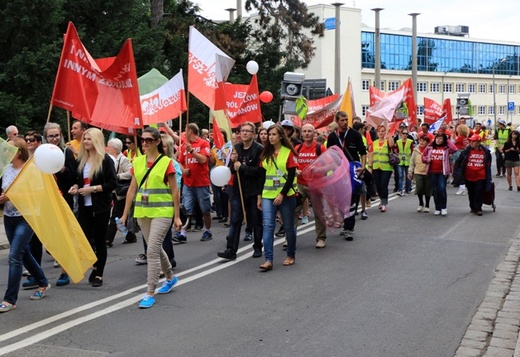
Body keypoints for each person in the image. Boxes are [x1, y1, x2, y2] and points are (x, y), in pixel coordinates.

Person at [121, 127, 182, 309]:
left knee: (152, 251)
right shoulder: (138, 162)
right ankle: (170, 277)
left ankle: (149, 292)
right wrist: (124, 215)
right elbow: (132, 189)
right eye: (143, 139)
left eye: (149, 140)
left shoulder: (166, 162)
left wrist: (177, 217)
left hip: (163, 211)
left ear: (157, 142)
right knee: (155, 248)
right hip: (143, 211)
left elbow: (175, 191)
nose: (145, 143)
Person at [0, 138, 50, 313]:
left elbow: (37, 193)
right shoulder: (6, 169)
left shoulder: (31, 170)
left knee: (14, 255)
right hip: (9, 216)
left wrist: (11, 197)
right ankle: (43, 282)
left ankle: (9, 299)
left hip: (27, 216)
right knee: (24, 252)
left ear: (19, 151)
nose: (6, 152)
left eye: (9, 149)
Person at [68, 128, 116, 287]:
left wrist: (93, 189)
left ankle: (99, 273)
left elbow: (111, 184)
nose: (86, 142)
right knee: (86, 239)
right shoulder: (81, 160)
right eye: (85, 139)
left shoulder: (105, 160)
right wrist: (75, 187)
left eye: (89, 139)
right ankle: (95, 264)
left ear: (96, 140)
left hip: (100, 206)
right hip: (84, 206)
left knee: (100, 240)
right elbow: (78, 180)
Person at [217, 122, 265, 260]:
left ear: (253, 134)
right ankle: (231, 249)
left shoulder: (259, 149)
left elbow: (260, 171)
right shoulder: (236, 148)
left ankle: (257, 247)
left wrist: (242, 167)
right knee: (235, 220)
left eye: (247, 131)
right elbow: (231, 170)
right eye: (242, 131)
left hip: (254, 190)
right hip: (238, 190)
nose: (244, 133)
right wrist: (232, 162)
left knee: (256, 220)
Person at [258, 124, 298, 271]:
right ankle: (268, 259)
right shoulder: (265, 154)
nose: (271, 137)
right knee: (268, 227)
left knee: (288, 226)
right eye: (269, 135)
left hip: (286, 195)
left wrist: (282, 194)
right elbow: (262, 177)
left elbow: (291, 176)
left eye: (274, 134)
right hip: (268, 195)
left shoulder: (288, 153)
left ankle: (291, 255)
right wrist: (259, 196)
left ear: (281, 136)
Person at [326, 111, 366, 240]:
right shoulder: (332, 136)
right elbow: (329, 155)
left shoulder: (354, 134)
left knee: (352, 199)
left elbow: (363, 152)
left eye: (346, 119)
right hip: (338, 171)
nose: (344, 122)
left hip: (352, 170)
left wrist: (363, 166)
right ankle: (345, 221)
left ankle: (349, 227)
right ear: (337, 121)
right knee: (340, 199)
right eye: (342, 120)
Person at [175, 123, 212, 243]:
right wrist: (182, 169)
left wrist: (191, 151)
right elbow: (179, 162)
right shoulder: (183, 146)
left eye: (185, 131)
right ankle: (183, 233)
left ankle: (208, 230)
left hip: (201, 182)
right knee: (186, 208)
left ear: (190, 131)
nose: (184, 133)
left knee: (205, 209)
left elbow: (203, 160)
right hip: (188, 183)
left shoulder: (203, 143)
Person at [294, 124, 328, 248]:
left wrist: (318, 169)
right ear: (301, 134)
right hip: (300, 184)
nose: (307, 133)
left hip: (316, 185)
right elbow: (292, 164)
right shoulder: (297, 148)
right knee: (294, 211)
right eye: (305, 131)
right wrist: (295, 170)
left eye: (309, 131)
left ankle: (321, 238)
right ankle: (290, 237)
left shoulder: (320, 148)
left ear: (314, 134)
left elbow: (330, 165)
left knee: (319, 213)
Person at [105, 138, 135, 247]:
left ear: (115, 149)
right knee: (120, 214)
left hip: (121, 191)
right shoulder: (109, 159)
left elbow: (130, 173)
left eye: (109, 147)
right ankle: (130, 235)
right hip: (113, 190)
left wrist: (117, 176)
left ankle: (108, 239)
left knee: (116, 215)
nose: (107, 149)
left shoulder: (123, 159)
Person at [453, 134, 492, 216]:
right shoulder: (467, 151)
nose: (471, 143)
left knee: (479, 192)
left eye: (473, 141)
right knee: (471, 192)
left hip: (481, 175)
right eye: (471, 141)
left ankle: (478, 208)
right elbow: (459, 161)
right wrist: (456, 171)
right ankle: (473, 207)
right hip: (469, 176)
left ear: (478, 142)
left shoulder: (485, 152)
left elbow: (488, 163)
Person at [422, 133, 457, 216]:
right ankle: (437, 208)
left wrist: (447, 139)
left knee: (441, 189)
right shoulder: (430, 147)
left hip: (442, 172)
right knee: (435, 190)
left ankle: (443, 207)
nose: (438, 140)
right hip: (432, 172)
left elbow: (454, 149)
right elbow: (423, 156)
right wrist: (427, 160)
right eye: (437, 138)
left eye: (441, 139)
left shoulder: (446, 148)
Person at [368, 125, 395, 212]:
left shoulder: (387, 141)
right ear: (377, 132)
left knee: (383, 185)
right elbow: (371, 156)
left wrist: (389, 133)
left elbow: (392, 144)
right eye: (379, 131)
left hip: (386, 167)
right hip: (376, 167)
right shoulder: (374, 143)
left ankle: (384, 202)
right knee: (378, 186)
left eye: (383, 131)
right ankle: (381, 199)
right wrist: (370, 167)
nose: (381, 133)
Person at [408, 135, 432, 212]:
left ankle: (427, 205)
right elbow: (412, 161)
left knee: (428, 188)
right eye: (420, 141)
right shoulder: (415, 150)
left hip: (427, 172)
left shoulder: (430, 150)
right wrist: (410, 171)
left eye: (424, 141)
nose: (421, 142)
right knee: (419, 187)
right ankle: (421, 203)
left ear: (427, 143)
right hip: (418, 171)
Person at [451, 124, 471, 195]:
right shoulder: (466, 138)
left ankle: (459, 183)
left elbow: (452, 142)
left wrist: (452, 134)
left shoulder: (459, 138)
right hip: (464, 152)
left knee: (456, 168)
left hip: (458, 152)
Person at [395, 127, 414, 196]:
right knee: (400, 176)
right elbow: (396, 150)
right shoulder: (398, 141)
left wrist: (412, 160)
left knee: (408, 176)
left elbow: (412, 151)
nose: (405, 135)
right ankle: (400, 190)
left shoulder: (410, 141)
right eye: (404, 133)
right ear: (401, 134)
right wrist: (397, 155)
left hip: (408, 161)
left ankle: (407, 189)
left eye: (406, 133)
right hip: (400, 161)